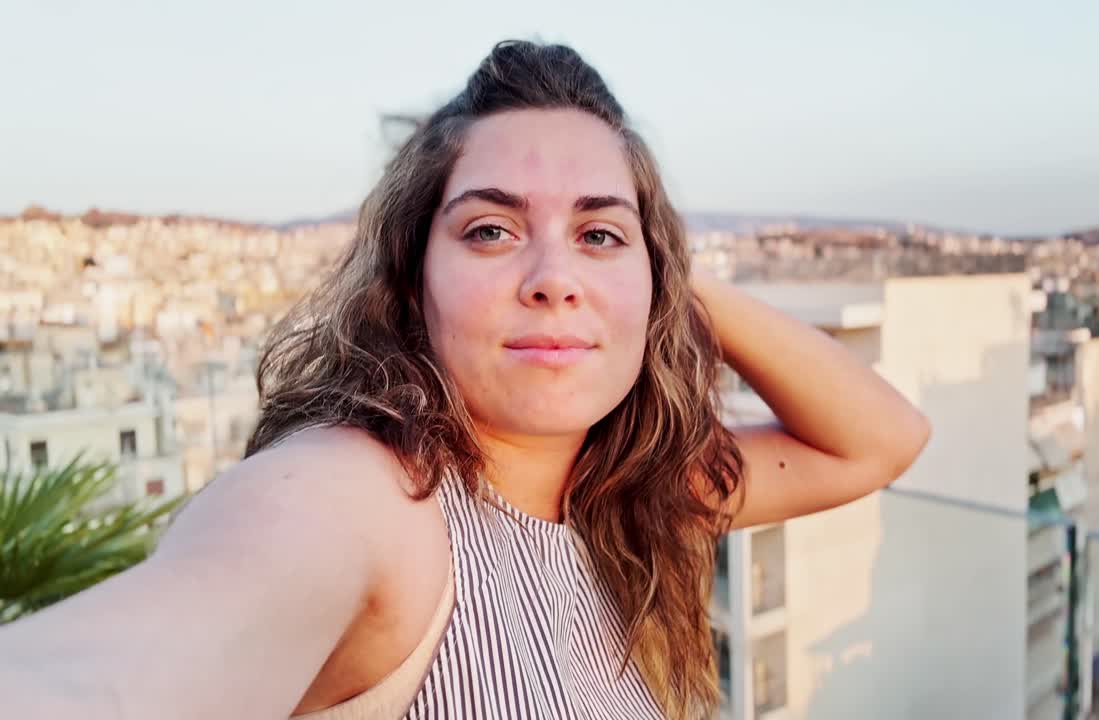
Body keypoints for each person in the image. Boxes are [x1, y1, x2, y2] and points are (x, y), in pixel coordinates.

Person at [0, 40, 930, 719]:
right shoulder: (372, 498)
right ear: (411, 281)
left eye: (600, 235)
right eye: (491, 229)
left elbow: (882, 439)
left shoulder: (634, 497)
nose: (553, 277)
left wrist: (661, 274)